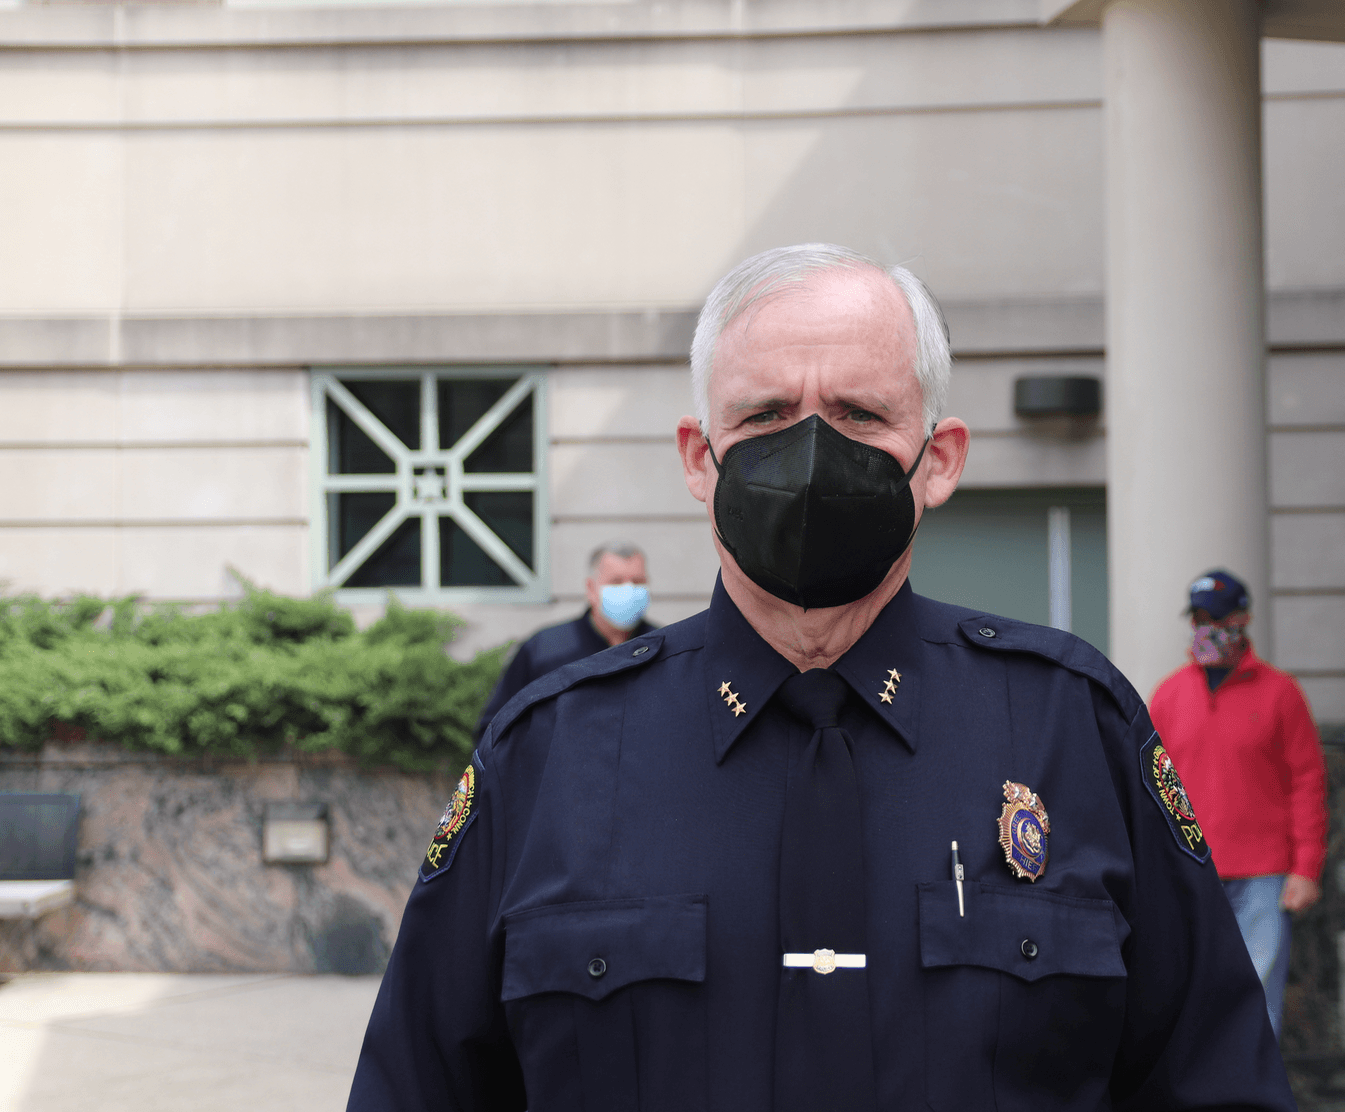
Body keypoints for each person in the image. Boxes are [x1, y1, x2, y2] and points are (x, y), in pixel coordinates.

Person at [347, 244, 1295, 1112]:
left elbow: (1214, 1083)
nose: (809, 451)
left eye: (859, 414)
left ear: (940, 460)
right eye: (763, 414)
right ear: (697, 458)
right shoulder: (550, 754)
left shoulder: (1071, 727)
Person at [1147, 570, 1328, 1040]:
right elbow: (1153, 786)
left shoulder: (1281, 693)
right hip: (1189, 873)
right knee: (1189, 1002)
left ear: (1243, 618)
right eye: (1200, 618)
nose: (1208, 628)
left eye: (1219, 617)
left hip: (1263, 880)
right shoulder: (1168, 695)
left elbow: (1307, 782)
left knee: (1256, 1004)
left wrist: (1305, 868)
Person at [471, 542, 654, 741]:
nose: (629, 590)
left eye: (638, 581)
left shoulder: (662, 647)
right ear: (591, 589)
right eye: (616, 582)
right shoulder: (544, 649)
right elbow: (494, 730)